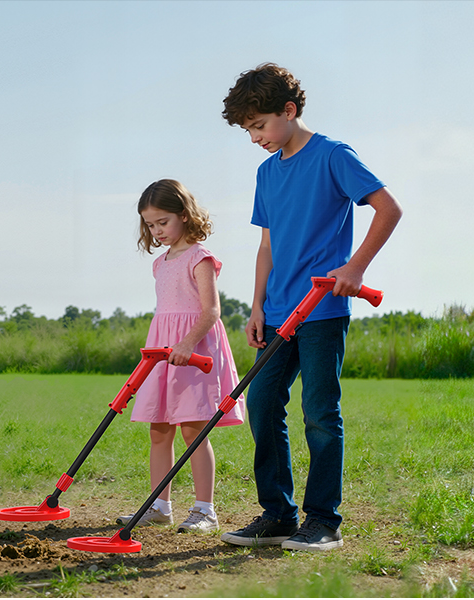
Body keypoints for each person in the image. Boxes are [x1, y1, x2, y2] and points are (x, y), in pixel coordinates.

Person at [217, 63, 403, 551]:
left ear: (289, 110)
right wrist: (255, 307)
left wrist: (355, 268)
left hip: (321, 309)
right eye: (248, 129)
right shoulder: (266, 172)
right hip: (277, 312)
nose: (255, 137)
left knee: (320, 413)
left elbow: (389, 209)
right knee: (260, 404)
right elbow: (267, 246)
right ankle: (277, 514)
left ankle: (323, 521)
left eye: (259, 125)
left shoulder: (333, 156)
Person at [120, 179, 245, 534]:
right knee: (159, 430)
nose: (157, 231)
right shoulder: (160, 264)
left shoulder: (199, 257)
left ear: (185, 216)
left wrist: (188, 344)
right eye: (150, 224)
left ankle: (205, 510)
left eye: (163, 222)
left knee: (193, 430)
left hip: (195, 351)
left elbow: (211, 311)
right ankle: (159, 506)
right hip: (163, 352)